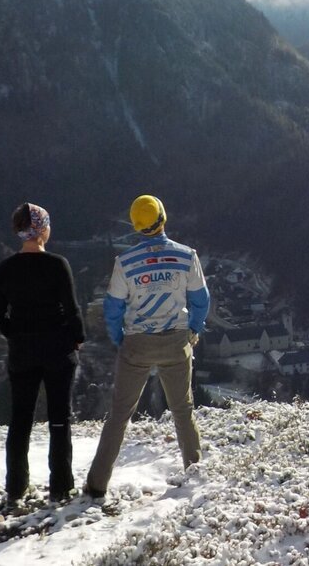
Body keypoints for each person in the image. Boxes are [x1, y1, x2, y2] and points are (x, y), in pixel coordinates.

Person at [84, 194, 210, 498]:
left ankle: (97, 484)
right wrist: (192, 329)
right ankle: (194, 472)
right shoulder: (186, 256)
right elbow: (201, 300)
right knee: (182, 409)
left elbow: (113, 308)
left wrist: (120, 339)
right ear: (163, 218)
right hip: (176, 341)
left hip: (136, 345)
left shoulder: (125, 263)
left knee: (119, 414)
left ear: (136, 227)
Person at [0, 202, 85, 505]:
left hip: (22, 352)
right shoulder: (58, 264)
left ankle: (16, 487)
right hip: (58, 350)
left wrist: (14, 334)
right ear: (43, 228)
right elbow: (71, 309)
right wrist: (77, 338)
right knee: (59, 419)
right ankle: (60, 486)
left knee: (20, 419)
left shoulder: (5, 268)